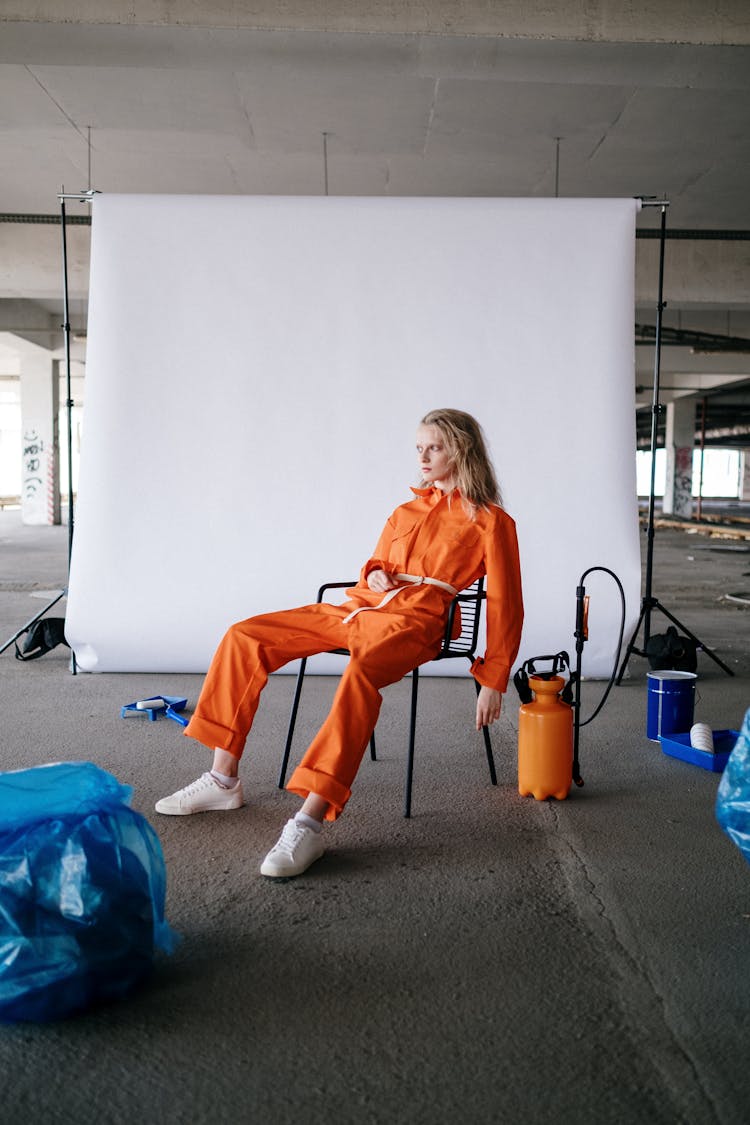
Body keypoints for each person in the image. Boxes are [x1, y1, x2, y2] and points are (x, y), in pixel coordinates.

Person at [156, 408, 524, 878]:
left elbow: (507, 605)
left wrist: (494, 678)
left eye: (433, 447)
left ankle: (308, 822)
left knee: (359, 673)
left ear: (462, 449)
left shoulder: (492, 521)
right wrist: (374, 572)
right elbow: (374, 561)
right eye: (419, 448)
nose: (423, 457)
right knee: (244, 635)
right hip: (359, 607)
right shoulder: (405, 510)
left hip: (415, 623)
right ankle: (222, 778)